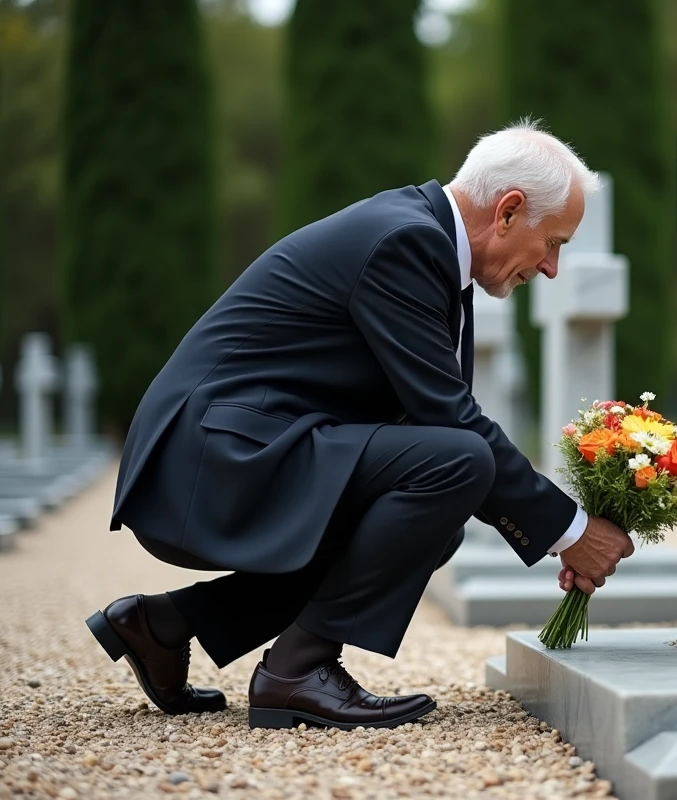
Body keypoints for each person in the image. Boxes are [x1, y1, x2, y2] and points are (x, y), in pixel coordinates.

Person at [86, 121, 635, 731]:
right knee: (459, 464)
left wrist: (550, 526)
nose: (554, 268)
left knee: (435, 519)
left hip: (238, 445)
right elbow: (451, 423)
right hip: (210, 457)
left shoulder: (424, 240)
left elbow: (429, 423)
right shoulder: (407, 241)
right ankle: (297, 670)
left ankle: (164, 625)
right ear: (508, 211)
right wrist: (571, 531)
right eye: (554, 242)